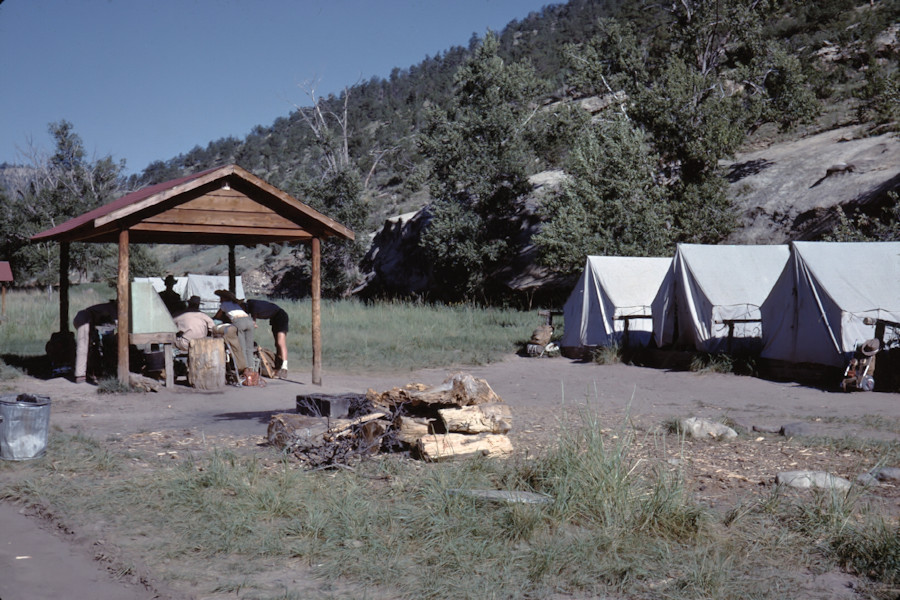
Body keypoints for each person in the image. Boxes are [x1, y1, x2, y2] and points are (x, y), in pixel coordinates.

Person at [176, 295, 250, 381]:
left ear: (189, 304)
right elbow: (213, 327)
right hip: (200, 344)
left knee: (173, 340)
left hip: (185, 344)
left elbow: (171, 326)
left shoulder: (179, 315)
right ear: (198, 305)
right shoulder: (203, 315)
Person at [243, 298, 289, 378]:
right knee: (277, 344)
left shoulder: (252, 306)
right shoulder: (251, 306)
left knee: (280, 342)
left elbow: (253, 323)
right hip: (274, 318)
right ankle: (278, 367)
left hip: (280, 316)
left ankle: (285, 367)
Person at [73, 300, 117, 383]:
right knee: (83, 344)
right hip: (84, 318)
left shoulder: (110, 308)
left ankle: (88, 371)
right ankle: (80, 374)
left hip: (88, 319)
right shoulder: (113, 309)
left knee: (92, 345)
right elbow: (115, 325)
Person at [213, 289, 255, 372]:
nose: (220, 300)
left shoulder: (224, 304)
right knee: (249, 347)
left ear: (224, 298)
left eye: (221, 298)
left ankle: (245, 369)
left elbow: (218, 316)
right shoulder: (235, 304)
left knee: (241, 347)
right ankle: (251, 368)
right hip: (249, 321)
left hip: (239, 322)